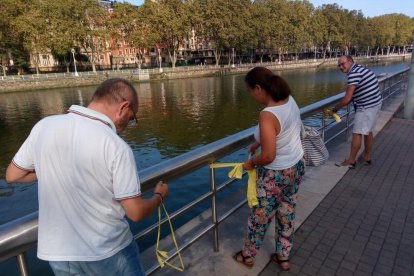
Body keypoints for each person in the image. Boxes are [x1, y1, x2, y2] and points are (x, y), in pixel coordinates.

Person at [5, 78, 168, 275]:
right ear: (123, 108)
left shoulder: (44, 126)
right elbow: (135, 212)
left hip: (60, 254)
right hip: (108, 251)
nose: (129, 123)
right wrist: (158, 197)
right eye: (132, 117)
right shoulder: (115, 146)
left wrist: (52, 167)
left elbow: (14, 174)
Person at [233, 67, 305, 271]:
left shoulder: (267, 114)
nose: (251, 96)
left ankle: (247, 255)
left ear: (258, 88)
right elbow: (285, 131)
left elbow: (268, 156)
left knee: (259, 216)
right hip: (296, 166)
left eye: (250, 91)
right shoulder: (289, 99)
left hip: (276, 174)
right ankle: (283, 256)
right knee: (287, 212)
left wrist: (251, 163)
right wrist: (259, 142)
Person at [331, 55, 382, 168]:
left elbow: (347, 98)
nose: (340, 67)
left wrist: (335, 109)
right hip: (375, 104)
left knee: (357, 133)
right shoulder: (361, 69)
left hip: (366, 107)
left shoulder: (354, 74)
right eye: (338, 65)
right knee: (368, 131)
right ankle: (367, 157)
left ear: (350, 61)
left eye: (342, 64)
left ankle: (351, 161)